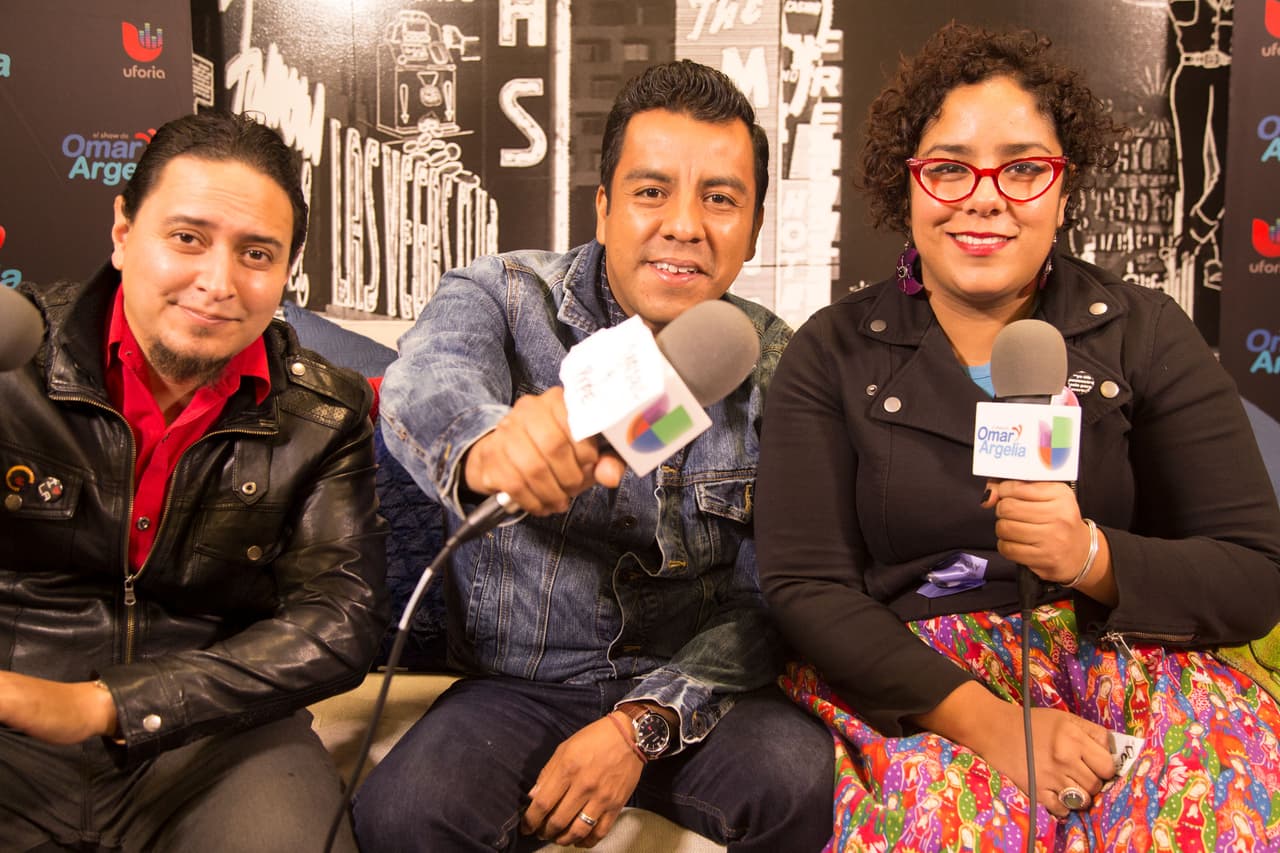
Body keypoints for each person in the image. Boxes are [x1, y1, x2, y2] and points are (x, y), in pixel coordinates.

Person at [755, 23, 1280, 852]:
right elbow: (806, 587)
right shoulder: (833, 351)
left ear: (1065, 189)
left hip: (1129, 666)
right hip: (929, 693)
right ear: (908, 186)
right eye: (949, 167)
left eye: (1024, 168)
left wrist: (1090, 556)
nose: (985, 196)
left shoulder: (1144, 332)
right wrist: (995, 725)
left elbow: (1254, 572)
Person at [355, 60, 834, 852]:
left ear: (752, 229)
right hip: (518, 688)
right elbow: (430, 378)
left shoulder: (779, 361)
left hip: (696, 692)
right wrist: (488, 446)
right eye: (651, 191)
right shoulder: (504, 295)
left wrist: (642, 722)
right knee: (405, 812)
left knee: (805, 783)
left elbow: (772, 597)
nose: (685, 224)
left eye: (720, 199)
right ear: (604, 207)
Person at [0, 112, 388, 852]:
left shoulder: (324, 412)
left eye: (256, 253)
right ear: (123, 233)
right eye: (187, 238)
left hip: (214, 732)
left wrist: (106, 705)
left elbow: (341, 622)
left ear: (286, 271)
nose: (217, 283)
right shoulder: (12, 361)